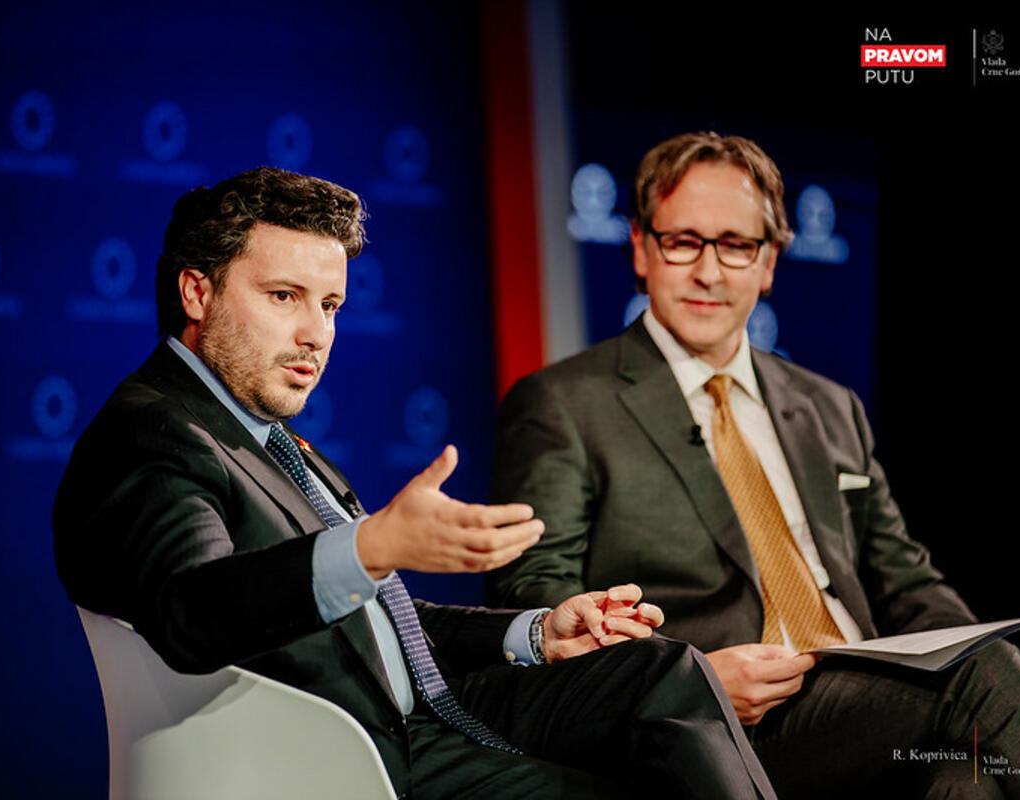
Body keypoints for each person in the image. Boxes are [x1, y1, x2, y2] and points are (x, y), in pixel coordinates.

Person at [53, 166, 777, 799]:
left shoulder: (262, 434)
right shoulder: (152, 432)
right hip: (355, 753)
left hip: (429, 711)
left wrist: (535, 633)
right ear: (196, 292)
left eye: (329, 305)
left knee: (663, 673)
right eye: (283, 296)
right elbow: (191, 612)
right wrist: (371, 548)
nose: (316, 333)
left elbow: (377, 623)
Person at [488, 132, 1020, 799]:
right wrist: (685, 681)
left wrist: (962, 643)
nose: (709, 272)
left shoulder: (829, 405)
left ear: (769, 262)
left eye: (735, 245)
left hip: (867, 702)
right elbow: (536, 600)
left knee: (970, 774)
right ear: (641, 247)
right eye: (683, 241)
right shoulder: (563, 403)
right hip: (715, 725)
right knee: (983, 678)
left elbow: (906, 580)